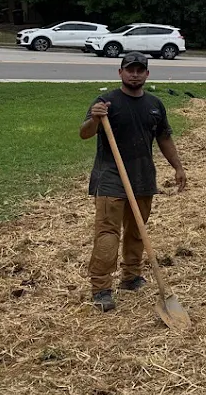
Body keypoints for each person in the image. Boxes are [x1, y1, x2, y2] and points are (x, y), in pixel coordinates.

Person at [80, 51, 186, 312]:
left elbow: (164, 138)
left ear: (147, 74)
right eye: (130, 69)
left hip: (142, 177)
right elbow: (84, 133)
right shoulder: (106, 103)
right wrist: (94, 118)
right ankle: (101, 288)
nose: (135, 74)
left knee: (138, 231)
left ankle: (131, 276)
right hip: (111, 178)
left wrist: (178, 167)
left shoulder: (155, 105)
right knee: (107, 235)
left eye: (140, 70)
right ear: (120, 72)